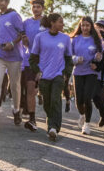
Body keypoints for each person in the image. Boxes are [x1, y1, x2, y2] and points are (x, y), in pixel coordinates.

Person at [29, 13, 73, 141]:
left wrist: (66, 73)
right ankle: (52, 124)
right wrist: (37, 71)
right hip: (44, 76)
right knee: (47, 103)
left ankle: (53, 128)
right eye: (60, 21)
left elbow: (69, 59)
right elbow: (33, 58)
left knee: (55, 100)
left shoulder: (65, 38)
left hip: (58, 75)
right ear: (52, 23)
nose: (63, 24)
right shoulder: (40, 37)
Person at [70, 16, 103, 135]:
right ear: (80, 26)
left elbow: (101, 55)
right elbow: (69, 56)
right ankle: (82, 115)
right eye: (83, 25)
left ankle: (87, 124)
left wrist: (97, 58)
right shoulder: (75, 39)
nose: (84, 28)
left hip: (91, 72)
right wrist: (75, 59)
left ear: (91, 27)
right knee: (79, 100)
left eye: (87, 25)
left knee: (87, 98)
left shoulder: (96, 40)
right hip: (78, 72)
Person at [19, 0, 45, 131]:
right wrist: (23, 38)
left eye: (38, 7)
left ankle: (51, 117)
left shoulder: (46, 22)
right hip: (29, 61)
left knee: (44, 91)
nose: (35, 9)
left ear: (43, 9)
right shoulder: (26, 22)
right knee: (30, 89)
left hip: (45, 62)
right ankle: (32, 119)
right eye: (33, 7)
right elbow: (20, 33)